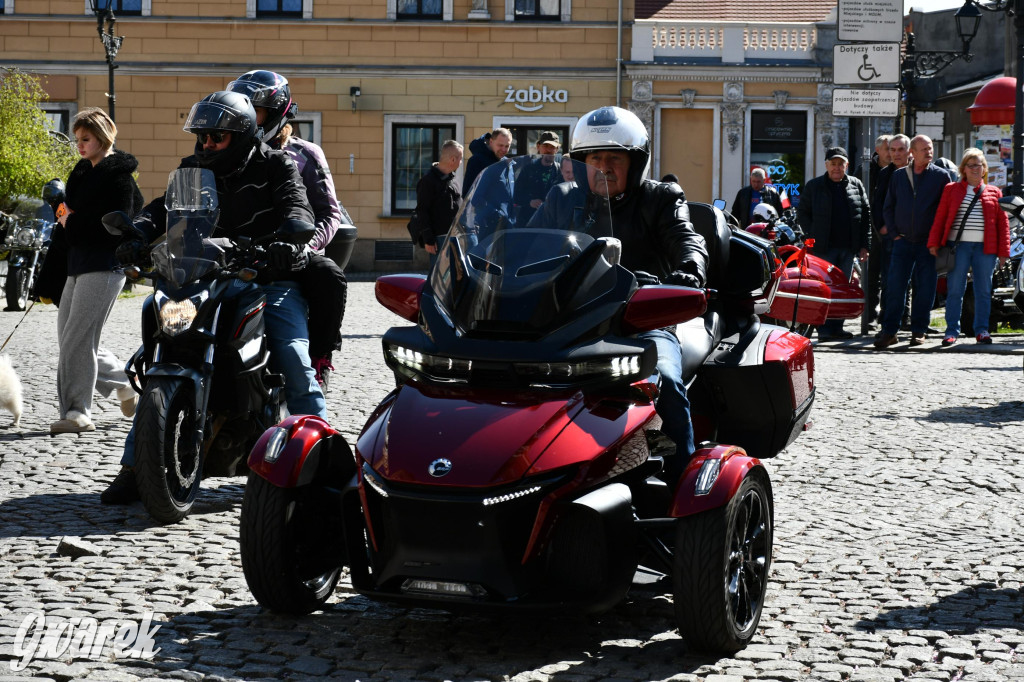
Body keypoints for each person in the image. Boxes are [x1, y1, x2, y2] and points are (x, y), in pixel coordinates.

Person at [101, 90, 326, 503]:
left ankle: (322, 461)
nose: (206, 145)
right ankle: (135, 467)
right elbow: (161, 208)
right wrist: (138, 232)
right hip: (205, 275)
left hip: (266, 277)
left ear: (239, 135)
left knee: (294, 358)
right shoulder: (192, 168)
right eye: (202, 138)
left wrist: (292, 231)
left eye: (215, 138)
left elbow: (299, 206)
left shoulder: (275, 164)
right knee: (162, 358)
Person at [567, 106, 708, 481]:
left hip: (642, 318)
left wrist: (689, 269)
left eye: (614, 158)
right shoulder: (563, 200)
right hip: (567, 319)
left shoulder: (660, 198)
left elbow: (686, 238)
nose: (604, 167)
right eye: (594, 159)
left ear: (636, 162)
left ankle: (684, 485)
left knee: (663, 378)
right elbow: (525, 243)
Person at [226, 70, 350, 389]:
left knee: (329, 276)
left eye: (256, 110)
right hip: (240, 254)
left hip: (292, 253)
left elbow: (329, 211)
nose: (248, 117)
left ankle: (320, 356)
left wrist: (304, 246)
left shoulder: (305, 154)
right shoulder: (225, 152)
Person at [49, 107, 143, 434]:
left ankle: (76, 413)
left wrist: (71, 221)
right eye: (77, 139)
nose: (79, 145)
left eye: (85, 138)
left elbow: (118, 224)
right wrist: (65, 218)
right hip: (77, 263)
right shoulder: (81, 173)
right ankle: (125, 383)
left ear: (102, 136)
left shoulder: (119, 177)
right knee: (70, 338)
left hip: (105, 264)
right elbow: (71, 220)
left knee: (77, 338)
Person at [875, 134, 958, 349]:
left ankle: (919, 330)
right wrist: (893, 233)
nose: (929, 152)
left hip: (928, 244)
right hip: (902, 242)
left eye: (930, 148)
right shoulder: (899, 176)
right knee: (895, 287)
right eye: (924, 149)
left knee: (926, 288)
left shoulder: (941, 177)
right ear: (912, 152)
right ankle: (890, 331)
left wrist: (938, 239)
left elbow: (947, 211)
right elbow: (888, 206)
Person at [927, 149, 1010, 346]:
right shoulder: (951, 189)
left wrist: (1004, 253)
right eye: (970, 165)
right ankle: (951, 331)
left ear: (984, 169)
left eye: (978, 165)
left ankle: (982, 331)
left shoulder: (994, 192)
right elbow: (940, 217)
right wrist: (933, 242)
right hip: (959, 247)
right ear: (963, 169)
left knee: (983, 290)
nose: (975, 169)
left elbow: (1003, 224)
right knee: (955, 290)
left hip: (985, 249)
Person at [797, 146, 871, 340]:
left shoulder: (856, 185)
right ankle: (823, 329)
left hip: (848, 248)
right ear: (826, 165)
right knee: (823, 288)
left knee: (842, 289)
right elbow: (802, 213)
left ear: (846, 166)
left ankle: (837, 326)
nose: (837, 168)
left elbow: (865, 216)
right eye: (833, 164)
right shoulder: (814, 186)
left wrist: (865, 245)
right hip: (823, 249)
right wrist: (811, 235)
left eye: (841, 164)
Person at [873, 134, 912, 332]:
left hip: (914, 234)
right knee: (889, 278)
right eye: (892, 150)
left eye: (900, 150)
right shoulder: (885, 173)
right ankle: (888, 318)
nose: (895, 154)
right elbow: (878, 203)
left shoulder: (916, 171)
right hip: (890, 234)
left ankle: (906, 318)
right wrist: (883, 226)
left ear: (909, 151)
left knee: (910, 280)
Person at [857, 134, 892, 326]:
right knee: (871, 275)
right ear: (877, 150)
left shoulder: (898, 169)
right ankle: (869, 314)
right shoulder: (865, 170)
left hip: (892, 229)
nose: (890, 153)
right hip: (872, 230)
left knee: (891, 275)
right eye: (888, 148)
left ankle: (890, 315)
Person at [412, 139, 463, 267]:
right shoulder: (428, 181)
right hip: (439, 240)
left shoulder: (453, 179)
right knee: (439, 282)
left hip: (456, 237)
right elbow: (422, 211)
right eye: (460, 159)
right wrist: (428, 240)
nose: (461, 162)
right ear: (452, 160)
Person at [512, 131, 563, 225]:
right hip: (528, 221)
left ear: (557, 149)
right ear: (538, 147)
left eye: (552, 147)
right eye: (545, 146)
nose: (548, 150)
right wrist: (530, 201)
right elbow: (516, 194)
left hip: (553, 223)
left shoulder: (562, 171)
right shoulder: (528, 169)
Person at [463, 128, 512, 198]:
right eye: (500, 145)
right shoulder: (477, 161)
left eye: (507, 146)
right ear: (491, 142)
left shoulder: (506, 162)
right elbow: (468, 193)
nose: (504, 149)